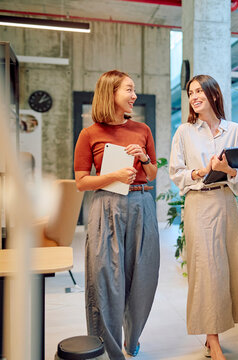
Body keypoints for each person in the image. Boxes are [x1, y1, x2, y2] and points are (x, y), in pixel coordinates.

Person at [73, 70, 160, 360]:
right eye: (129, 90)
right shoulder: (89, 134)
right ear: (111, 93)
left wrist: (144, 158)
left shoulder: (142, 130)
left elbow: (152, 173)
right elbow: (81, 181)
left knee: (142, 276)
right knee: (106, 280)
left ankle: (132, 339)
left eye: (134, 90)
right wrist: (112, 176)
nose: (134, 95)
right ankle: (110, 349)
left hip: (141, 204)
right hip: (105, 207)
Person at [169, 74, 238, 360]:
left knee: (225, 268)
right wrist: (201, 171)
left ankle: (213, 335)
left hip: (226, 202)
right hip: (199, 203)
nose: (193, 96)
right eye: (190, 92)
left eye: (198, 91)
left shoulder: (234, 130)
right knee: (206, 271)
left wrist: (228, 169)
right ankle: (212, 340)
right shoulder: (184, 132)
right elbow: (176, 173)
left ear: (213, 95)